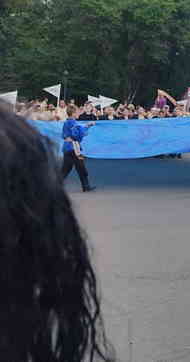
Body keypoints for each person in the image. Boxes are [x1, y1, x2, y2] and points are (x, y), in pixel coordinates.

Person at [0, 106, 113, 361]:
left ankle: (71, 185)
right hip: (71, 149)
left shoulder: (69, 123)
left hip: (67, 150)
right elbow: (76, 135)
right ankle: (66, 187)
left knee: (70, 171)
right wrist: (84, 138)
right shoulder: (71, 124)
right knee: (73, 170)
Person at [61, 105, 96, 192]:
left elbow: (64, 135)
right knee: (81, 167)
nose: (78, 114)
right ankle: (86, 186)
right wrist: (88, 126)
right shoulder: (73, 123)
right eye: (77, 112)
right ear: (73, 113)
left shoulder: (66, 123)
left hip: (67, 147)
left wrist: (85, 127)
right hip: (74, 147)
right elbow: (77, 134)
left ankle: (55, 186)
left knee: (66, 168)